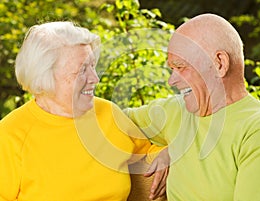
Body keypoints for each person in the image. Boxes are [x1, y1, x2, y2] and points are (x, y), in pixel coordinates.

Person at [125, 13, 260, 200]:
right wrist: (171, 149)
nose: (171, 81)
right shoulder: (175, 111)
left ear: (219, 64)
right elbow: (103, 119)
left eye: (181, 66)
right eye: (171, 69)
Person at [0, 21, 168, 201]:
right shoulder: (11, 134)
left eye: (93, 66)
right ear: (44, 78)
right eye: (81, 71)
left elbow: (151, 153)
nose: (95, 78)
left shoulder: (108, 113)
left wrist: (168, 153)